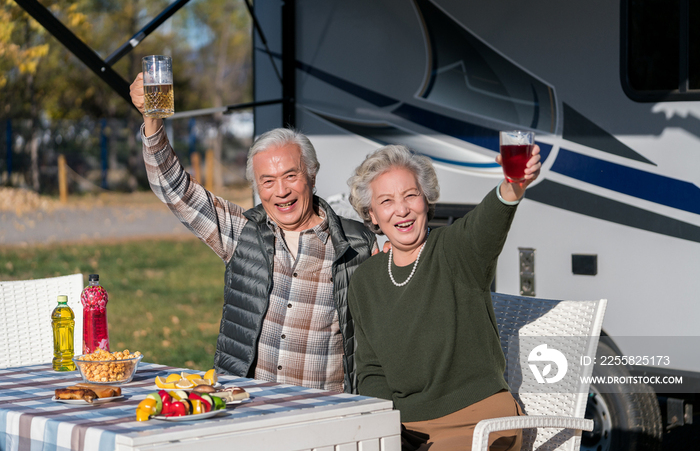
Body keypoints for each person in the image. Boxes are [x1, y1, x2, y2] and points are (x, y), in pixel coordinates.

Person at [129, 73, 377, 393]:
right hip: (249, 407)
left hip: (321, 413)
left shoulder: (357, 245)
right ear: (257, 187)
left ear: (312, 176)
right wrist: (152, 119)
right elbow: (175, 190)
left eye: (291, 176)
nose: (281, 192)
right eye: (267, 181)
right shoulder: (243, 232)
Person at [346, 143, 541, 450]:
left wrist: (512, 186)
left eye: (410, 195)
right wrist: (381, 431)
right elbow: (372, 372)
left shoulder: (456, 250)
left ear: (426, 199)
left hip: (479, 421)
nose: (402, 209)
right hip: (406, 429)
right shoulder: (365, 281)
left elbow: (488, 222)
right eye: (386, 201)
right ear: (372, 215)